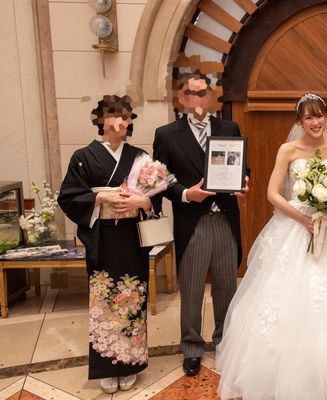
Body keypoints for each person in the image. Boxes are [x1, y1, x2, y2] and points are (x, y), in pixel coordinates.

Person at [216, 93, 327, 399]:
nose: (315, 122)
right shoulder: (288, 150)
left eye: (320, 116)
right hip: (293, 224)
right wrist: (303, 218)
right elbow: (273, 194)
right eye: (309, 117)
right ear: (300, 121)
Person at [152, 70, 248, 376]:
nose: (197, 98)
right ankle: (192, 347)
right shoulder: (167, 134)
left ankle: (224, 342)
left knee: (226, 287)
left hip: (225, 219)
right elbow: (160, 180)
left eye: (202, 92)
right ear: (182, 97)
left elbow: (241, 165)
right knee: (192, 290)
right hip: (192, 221)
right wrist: (185, 194)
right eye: (191, 93)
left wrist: (243, 180)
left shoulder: (228, 128)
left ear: (210, 96)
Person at [58, 95, 151, 393]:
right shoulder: (83, 156)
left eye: (126, 116)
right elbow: (68, 197)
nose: (121, 121)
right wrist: (100, 197)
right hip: (103, 238)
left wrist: (142, 202)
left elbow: (155, 195)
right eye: (114, 115)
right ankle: (108, 366)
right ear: (100, 119)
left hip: (132, 237)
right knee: (105, 301)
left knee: (133, 298)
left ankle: (131, 363)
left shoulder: (140, 156)